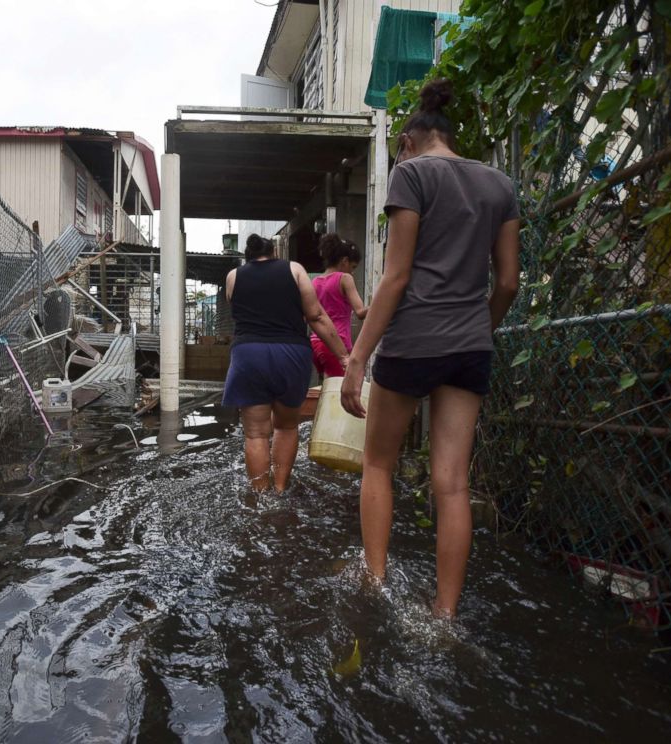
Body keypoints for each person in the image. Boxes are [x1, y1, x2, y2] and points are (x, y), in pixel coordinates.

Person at [340, 79, 521, 618]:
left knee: (377, 464)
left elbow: (395, 279)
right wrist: (476, 331)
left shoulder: (411, 174)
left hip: (412, 340)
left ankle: (374, 582)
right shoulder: (500, 185)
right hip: (470, 347)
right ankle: (444, 616)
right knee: (452, 484)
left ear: (409, 139)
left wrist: (356, 360)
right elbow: (508, 282)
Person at [223, 234, 349, 492]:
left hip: (249, 355)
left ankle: (260, 496)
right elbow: (315, 316)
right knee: (287, 426)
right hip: (290, 354)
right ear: (274, 254)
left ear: (248, 257)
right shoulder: (295, 270)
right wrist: (344, 355)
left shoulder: (233, 276)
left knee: (256, 433)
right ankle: (280, 489)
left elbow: (237, 309)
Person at [310, 234, 368, 379]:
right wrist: (384, 302)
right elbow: (360, 312)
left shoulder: (315, 282)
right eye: (353, 267)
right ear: (344, 261)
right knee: (338, 394)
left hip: (316, 343)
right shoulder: (344, 278)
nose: (352, 271)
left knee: (326, 390)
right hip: (337, 343)